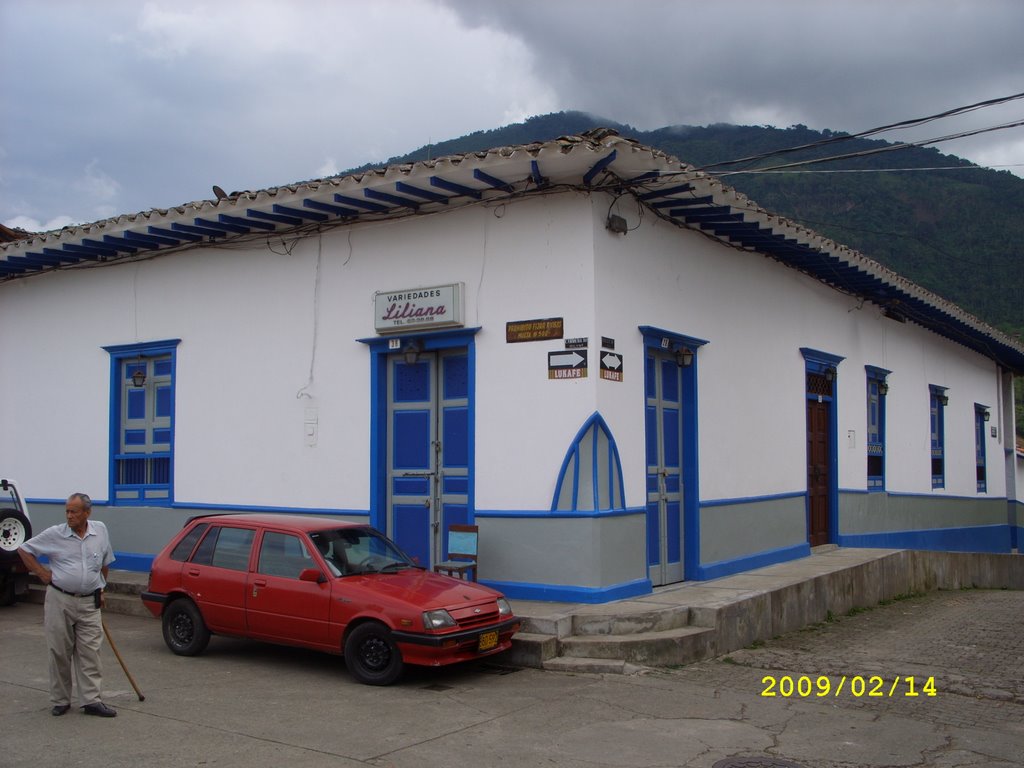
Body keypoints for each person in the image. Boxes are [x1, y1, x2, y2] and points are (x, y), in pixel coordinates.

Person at [18, 493, 117, 717]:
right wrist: (42, 573)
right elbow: (24, 550)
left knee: (91, 651)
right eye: (67, 511)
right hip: (60, 599)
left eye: (74, 511)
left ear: (87, 513)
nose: (69, 516)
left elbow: (105, 561)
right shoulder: (55, 534)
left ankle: (91, 700)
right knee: (60, 651)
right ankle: (61, 700)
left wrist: (101, 587)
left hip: (89, 601)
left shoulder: (100, 530)